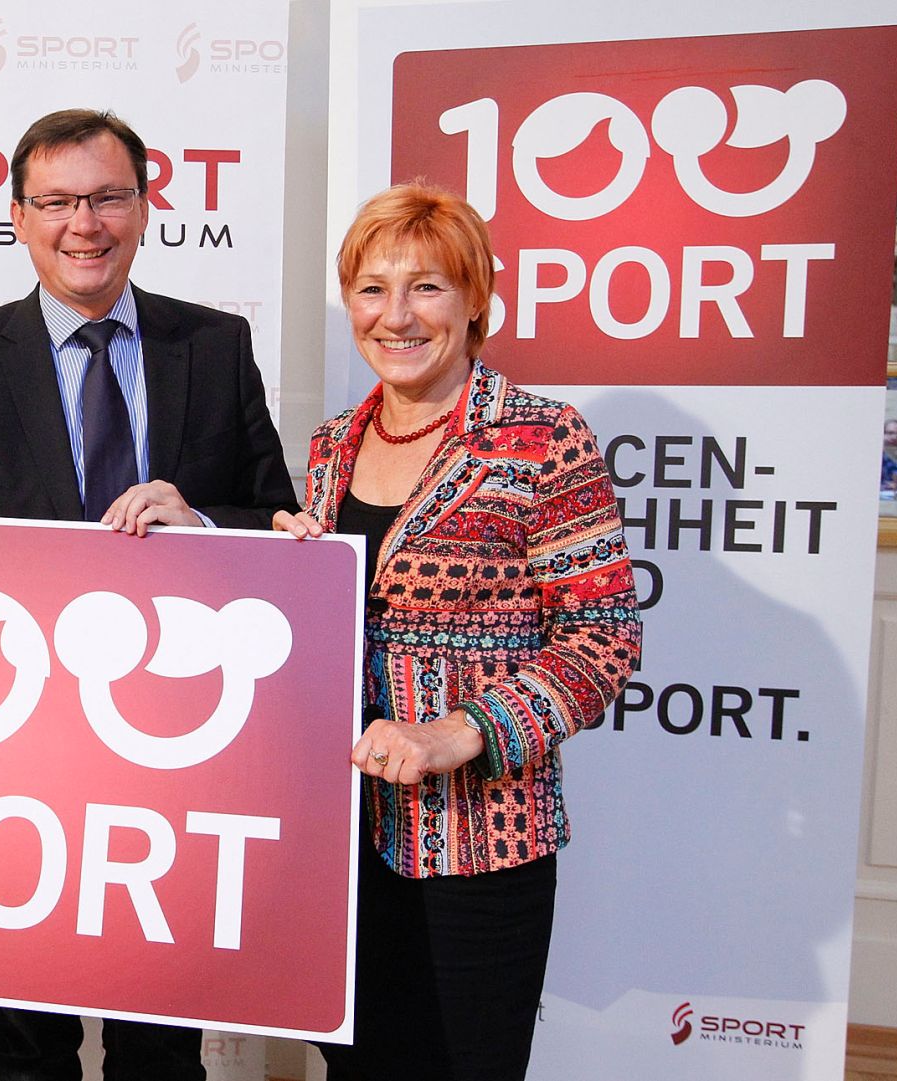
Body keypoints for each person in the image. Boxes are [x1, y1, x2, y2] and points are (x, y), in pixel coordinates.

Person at [0, 108, 299, 1081]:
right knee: (28, 1039)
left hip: (177, 752)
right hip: (20, 760)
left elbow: (282, 523)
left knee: (161, 1040)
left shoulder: (213, 344)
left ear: (145, 205)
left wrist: (202, 523)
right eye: (58, 201)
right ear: (18, 216)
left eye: (106, 196)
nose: (85, 222)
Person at [274, 182, 641, 1081]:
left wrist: (457, 732)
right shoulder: (331, 445)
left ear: (479, 301)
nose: (395, 315)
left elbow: (601, 638)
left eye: (427, 287)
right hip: (334, 842)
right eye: (371, 288)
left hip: (480, 836)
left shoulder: (543, 438)